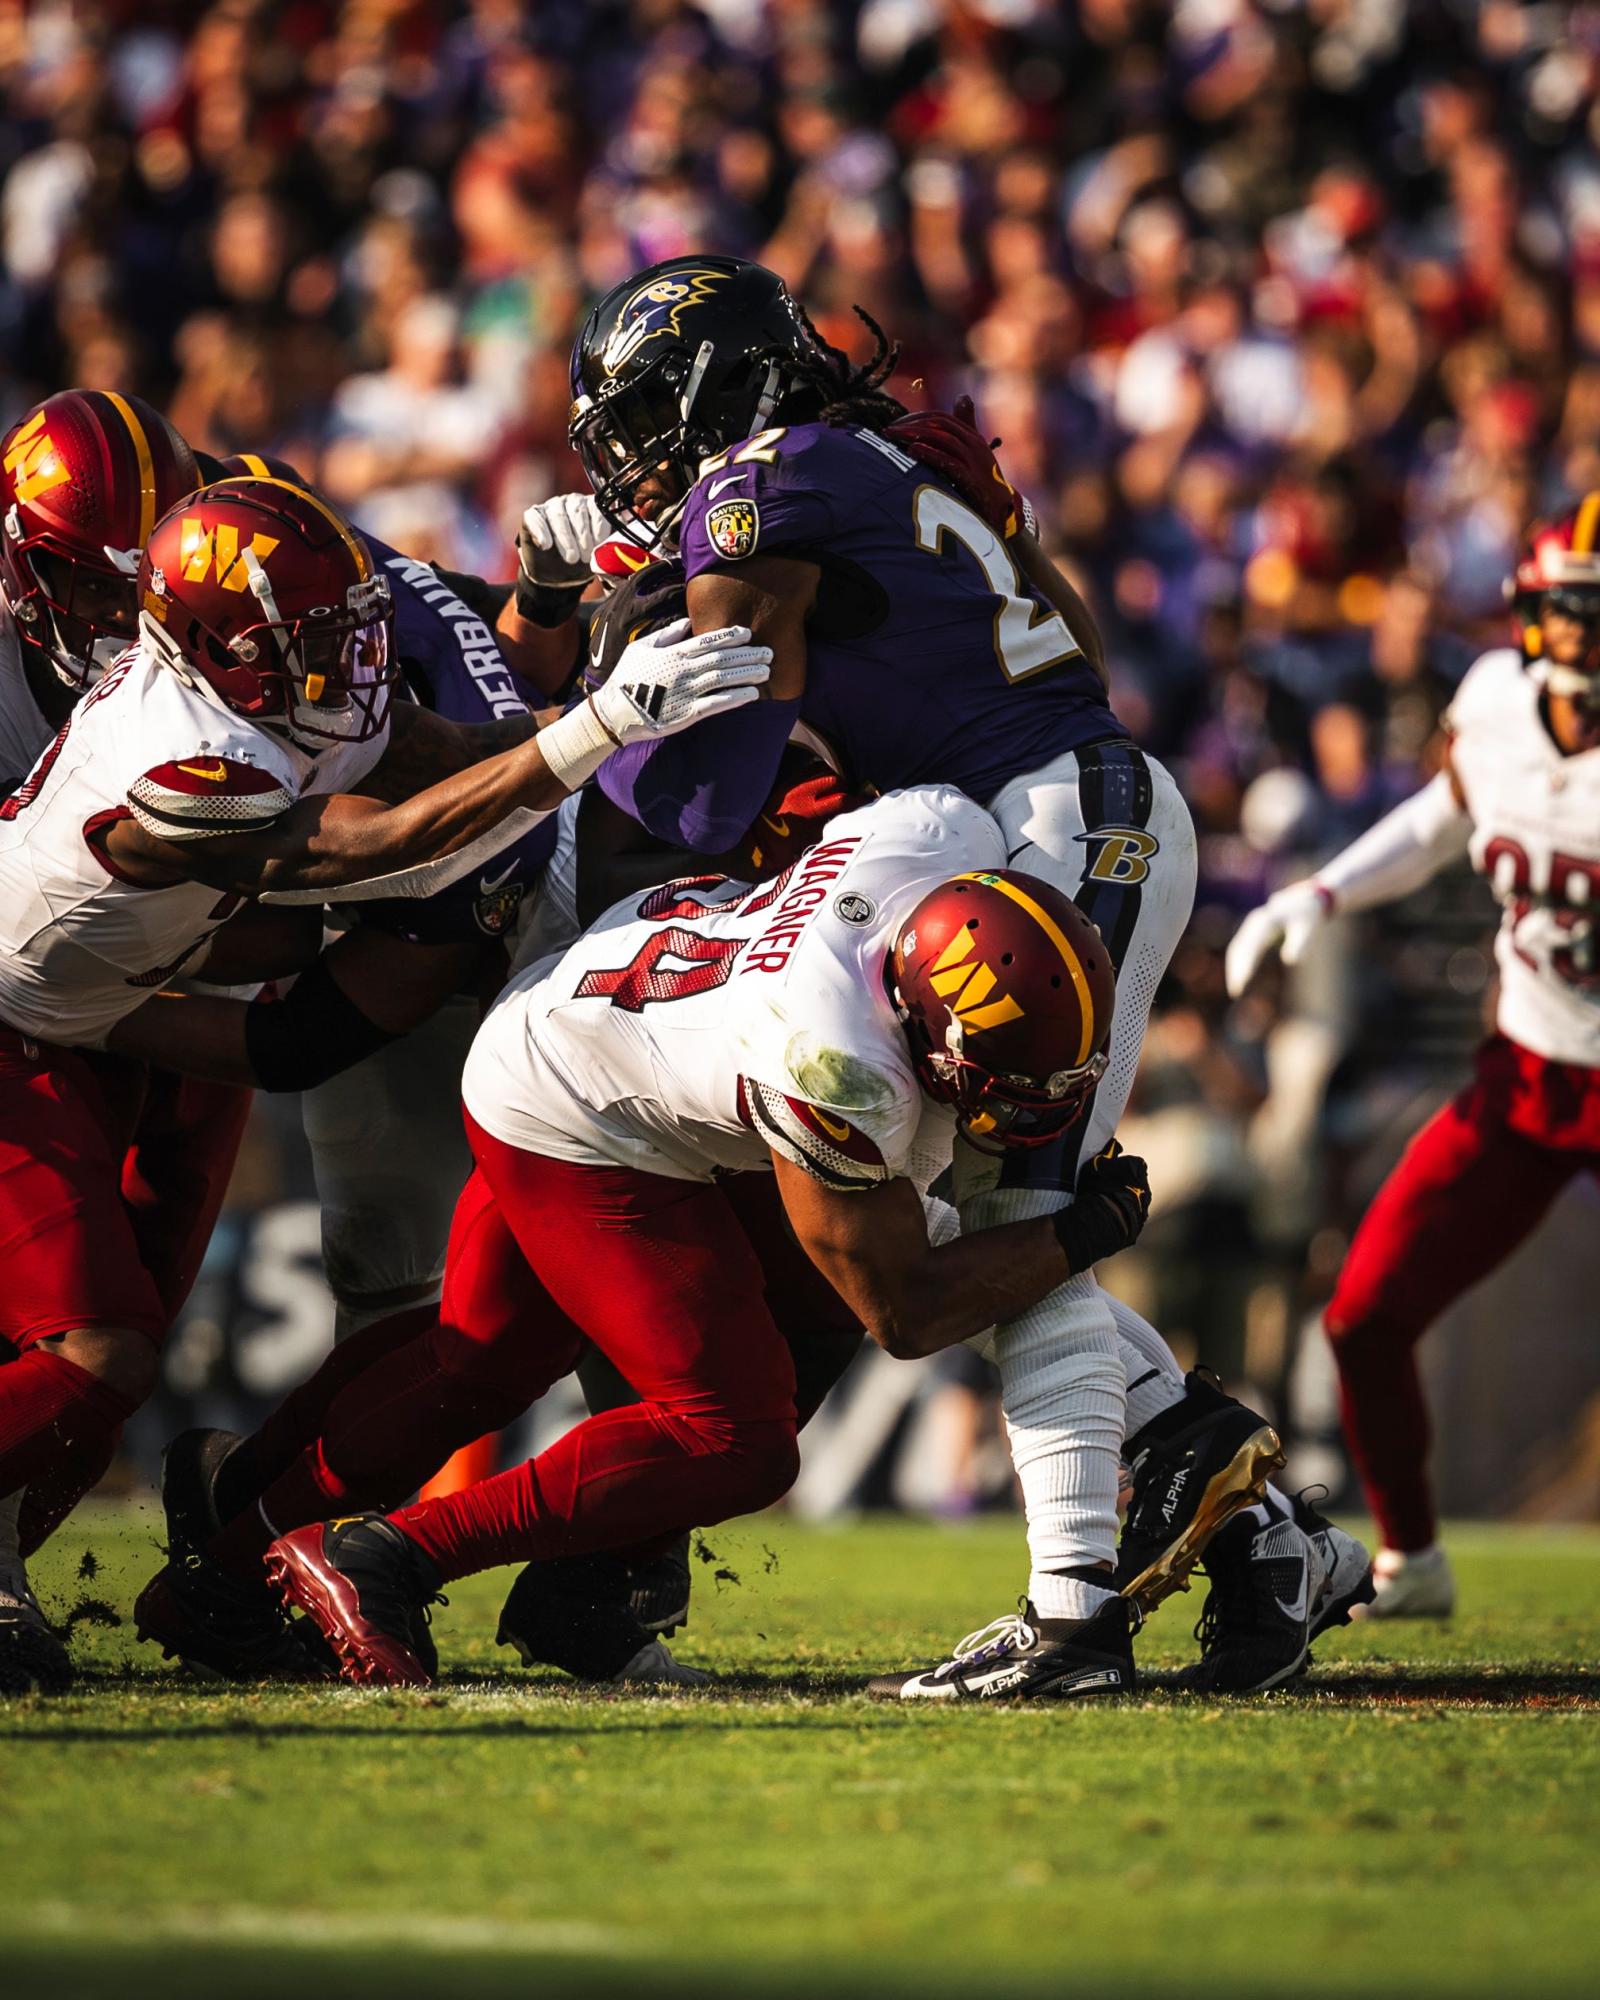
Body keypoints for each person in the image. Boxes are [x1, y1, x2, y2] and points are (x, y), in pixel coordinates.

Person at [552, 255, 1282, 1686]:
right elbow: (1066, 636)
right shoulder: (881, 451)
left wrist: (611, 668)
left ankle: (1074, 1614)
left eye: (649, 418)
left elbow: (700, 799)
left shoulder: (760, 485)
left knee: (1021, 1210)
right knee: (994, 1217)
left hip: (1051, 820)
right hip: (1059, 805)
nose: (640, 458)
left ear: (718, 389)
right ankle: (1267, 1532)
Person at [0, 470, 771, 1690]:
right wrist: (599, 726)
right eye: (310, 639)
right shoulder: (183, 750)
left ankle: (178, 1549)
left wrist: (604, 701)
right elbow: (392, 853)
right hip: (28, 1032)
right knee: (100, 1352)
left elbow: (455, 749)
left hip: (116, 1004)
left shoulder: (257, 684)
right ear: (214, 641)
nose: (349, 661)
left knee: (132, 1330)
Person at [261, 787, 1179, 1690]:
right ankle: (391, 1555)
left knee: (489, 1357)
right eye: (1009, 1089)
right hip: (576, 1101)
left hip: (625, 1019)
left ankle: (239, 1536)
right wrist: (1084, 1229)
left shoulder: (939, 829)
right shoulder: (841, 1069)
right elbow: (906, 1308)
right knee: (733, 1437)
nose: (1034, 1123)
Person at [1226, 493, 1600, 1618]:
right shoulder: (1492, 703)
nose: (1583, 637)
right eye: (1570, 612)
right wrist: (1322, 888)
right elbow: (1446, 814)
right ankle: (1413, 1559)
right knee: (1363, 1313)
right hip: (1530, 1072)